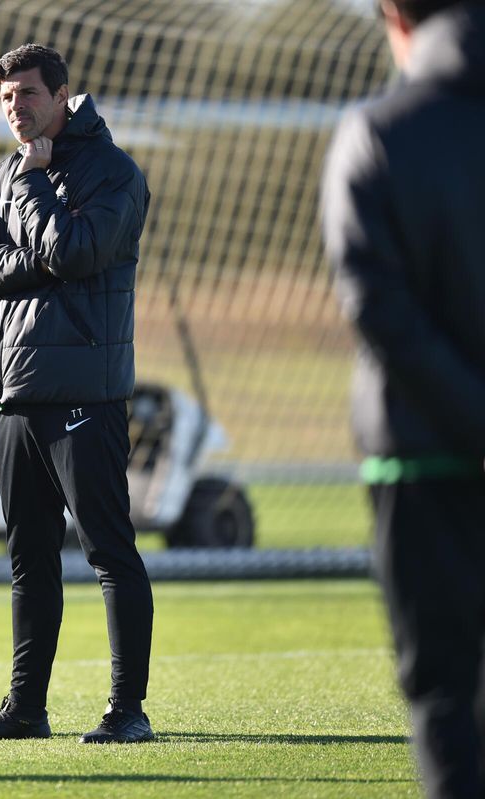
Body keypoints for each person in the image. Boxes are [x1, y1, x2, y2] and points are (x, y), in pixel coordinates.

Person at [0, 44, 153, 743]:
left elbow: (77, 252)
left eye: (29, 94)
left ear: (64, 96)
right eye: (6, 98)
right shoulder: (7, 171)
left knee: (108, 553)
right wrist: (26, 261)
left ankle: (128, 710)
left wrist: (33, 191)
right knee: (28, 559)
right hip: (12, 400)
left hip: (83, 398)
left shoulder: (112, 172)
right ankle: (25, 710)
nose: (16, 107)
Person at [321, 1, 485, 795]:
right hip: (427, 450)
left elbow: (376, 303)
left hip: (423, 454)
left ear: (394, 18)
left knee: (446, 693)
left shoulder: (380, 129)